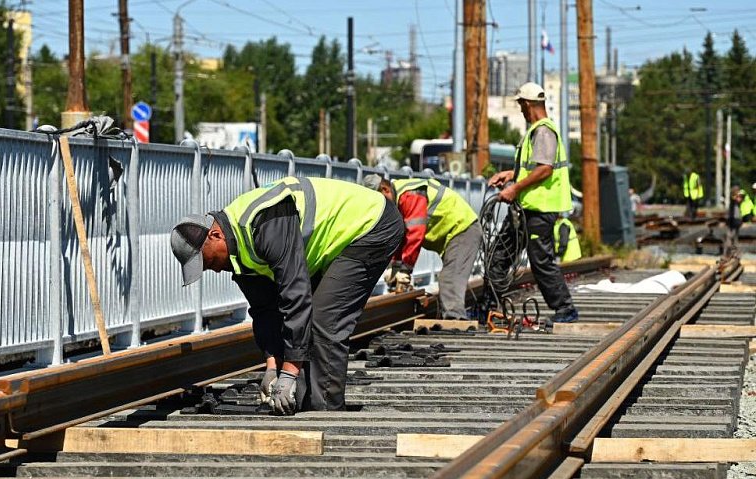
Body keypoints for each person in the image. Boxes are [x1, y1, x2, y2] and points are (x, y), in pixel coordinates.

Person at [170, 176, 403, 415]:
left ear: (215, 235)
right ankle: (307, 405)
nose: (214, 269)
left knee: (324, 321)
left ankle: (326, 416)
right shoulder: (238, 255)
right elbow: (265, 311)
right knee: (304, 327)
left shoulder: (265, 222)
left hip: (371, 225)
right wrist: (273, 367)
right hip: (337, 243)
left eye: (209, 261)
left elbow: (297, 297)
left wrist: (289, 373)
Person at [487, 82, 579, 323]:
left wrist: (514, 188)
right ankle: (490, 308)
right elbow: (533, 167)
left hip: (539, 211)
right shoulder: (536, 131)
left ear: (528, 104)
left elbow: (545, 169)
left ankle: (565, 309)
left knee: (541, 261)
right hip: (526, 210)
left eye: (520, 105)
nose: (520, 111)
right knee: (499, 255)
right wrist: (511, 174)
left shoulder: (543, 131)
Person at [363, 174, 480, 319]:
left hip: (463, 229)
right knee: (450, 278)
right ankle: (452, 318)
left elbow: (415, 234)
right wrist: (394, 269)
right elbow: (401, 238)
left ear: (385, 190)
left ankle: (455, 322)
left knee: (448, 278)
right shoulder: (398, 202)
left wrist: (405, 270)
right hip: (453, 234)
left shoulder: (410, 194)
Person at [726, 186, 753, 254]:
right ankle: (731, 248)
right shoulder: (733, 199)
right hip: (733, 218)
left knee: (733, 235)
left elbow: (739, 199)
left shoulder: (738, 198)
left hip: (736, 219)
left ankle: (733, 249)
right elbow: (735, 199)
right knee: (731, 235)